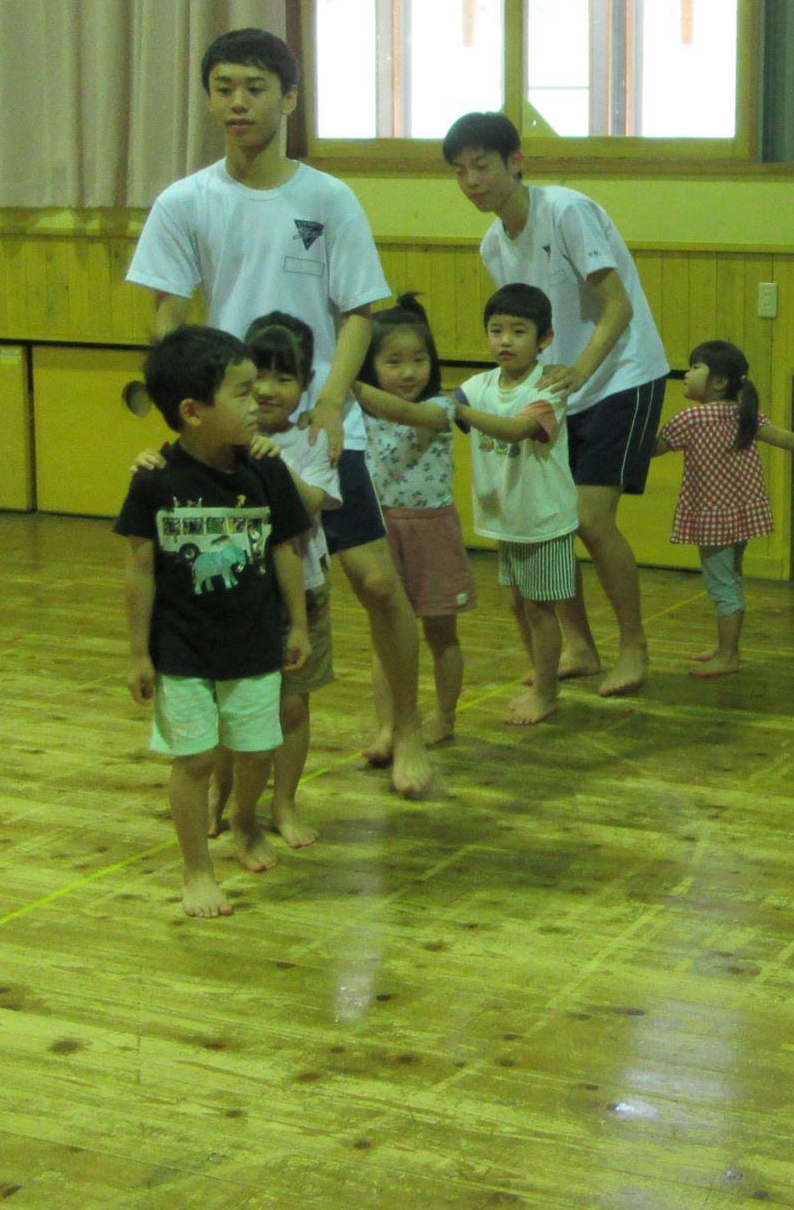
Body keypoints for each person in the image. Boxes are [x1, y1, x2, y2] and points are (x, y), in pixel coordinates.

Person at [126, 29, 413, 771]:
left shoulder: (328, 198)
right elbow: (168, 318)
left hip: (319, 425)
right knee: (245, 590)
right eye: (223, 88)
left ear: (288, 98)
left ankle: (406, 731)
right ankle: (245, 776)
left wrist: (332, 402)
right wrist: (189, 416)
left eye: (255, 88)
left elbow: (360, 311)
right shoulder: (184, 200)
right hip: (233, 432)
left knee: (377, 582)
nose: (238, 102)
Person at [443, 112, 667, 700]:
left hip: (622, 374)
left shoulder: (566, 210)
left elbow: (618, 304)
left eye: (481, 166)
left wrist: (581, 372)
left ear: (516, 161)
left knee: (591, 519)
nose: (471, 181)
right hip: (558, 392)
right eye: (460, 172)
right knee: (551, 521)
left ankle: (633, 646)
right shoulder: (493, 244)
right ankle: (580, 646)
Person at [116, 326, 311, 919]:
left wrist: (298, 625)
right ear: (193, 411)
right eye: (242, 393)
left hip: (253, 641)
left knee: (256, 749)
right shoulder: (154, 479)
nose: (259, 404)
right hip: (181, 648)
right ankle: (196, 870)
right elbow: (139, 569)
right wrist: (138, 652)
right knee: (195, 760)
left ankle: (245, 819)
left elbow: (286, 549)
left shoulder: (266, 470)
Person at [209, 312, 337, 845]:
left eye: (284, 378)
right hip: (238, 595)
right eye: (257, 375)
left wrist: (276, 461)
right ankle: (220, 800)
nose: (266, 389)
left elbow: (314, 503)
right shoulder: (220, 438)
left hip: (301, 591)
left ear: (306, 385)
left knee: (291, 704)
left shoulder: (312, 438)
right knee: (230, 705)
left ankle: (283, 805)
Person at [350, 295, 471, 799]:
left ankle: (443, 715)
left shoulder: (442, 406)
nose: (408, 372)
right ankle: (390, 726)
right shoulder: (360, 414)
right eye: (394, 361)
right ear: (372, 364)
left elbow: (403, 411)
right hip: (383, 529)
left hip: (432, 528)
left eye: (419, 360)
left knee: (441, 632)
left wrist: (347, 380)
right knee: (386, 635)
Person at [651, 339, 794, 679]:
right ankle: (727, 646)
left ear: (719, 381)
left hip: (713, 517)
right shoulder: (743, 414)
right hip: (742, 514)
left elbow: (654, 449)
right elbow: (782, 437)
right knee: (731, 577)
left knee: (722, 584)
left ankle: (728, 655)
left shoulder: (690, 418)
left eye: (695, 367)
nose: (686, 373)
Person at [454, 283, 581, 727]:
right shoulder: (478, 385)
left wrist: (459, 413)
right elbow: (442, 406)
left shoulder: (549, 388)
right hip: (508, 519)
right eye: (496, 330)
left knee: (539, 608)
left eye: (518, 331)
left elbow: (516, 430)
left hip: (543, 519)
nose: (504, 340)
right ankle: (542, 673)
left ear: (545, 339)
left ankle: (547, 691)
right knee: (517, 604)